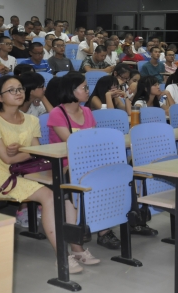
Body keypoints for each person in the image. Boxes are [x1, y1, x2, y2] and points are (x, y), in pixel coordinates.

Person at [0, 75, 100, 273]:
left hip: (30, 171)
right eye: (11, 90)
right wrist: (26, 151)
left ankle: (77, 248)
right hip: (6, 177)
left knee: (67, 190)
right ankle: (61, 256)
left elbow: (38, 152)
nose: (18, 93)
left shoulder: (31, 120)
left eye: (20, 88)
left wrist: (22, 150)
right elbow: (7, 159)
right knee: (49, 196)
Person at [46, 73, 129, 246]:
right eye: (83, 87)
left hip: (89, 161)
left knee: (112, 175)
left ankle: (104, 229)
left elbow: (94, 138)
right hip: (66, 164)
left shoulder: (87, 111)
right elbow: (72, 143)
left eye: (87, 87)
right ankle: (78, 229)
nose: (87, 90)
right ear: (71, 90)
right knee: (85, 178)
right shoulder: (57, 113)